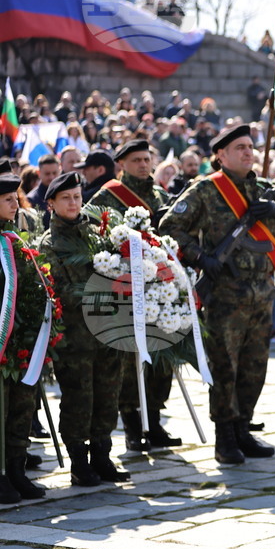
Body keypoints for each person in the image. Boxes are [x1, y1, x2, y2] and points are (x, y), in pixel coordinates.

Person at [159, 124, 275, 464]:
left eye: (250, 146)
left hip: (263, 292)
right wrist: (200, 257)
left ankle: (243, 429)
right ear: (220, 156)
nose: (248, 152)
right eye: (239, 147)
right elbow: (169, 227)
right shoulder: (206, 190)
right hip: (225, 294)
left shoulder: (264, 189)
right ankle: (225, 436)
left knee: (255, 366)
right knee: (225, 367)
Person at [85, 139, 181, 452]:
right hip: (125, 290)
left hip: (160, 288)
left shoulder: (160, 194)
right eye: (136, 160)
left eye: (146, 159)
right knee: (130, 363)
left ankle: (154, 423)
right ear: (122, 164)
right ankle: (131, 427)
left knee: (160, 357)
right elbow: (94, 238)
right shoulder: (109, 195)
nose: (143, 164)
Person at [40, 172, 130, 486]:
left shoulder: (96, 234)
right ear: (51, 203)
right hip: (76, 338)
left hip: (107, 333)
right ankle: (80, 462)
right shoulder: (50, 243)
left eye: (77, 197)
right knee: (80, 399)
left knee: (108, 395)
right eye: (66, 198)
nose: (74, 203)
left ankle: (102, 457)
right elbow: (60, 289)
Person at [0, 174, 48, 502]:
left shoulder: (17, 235)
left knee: (22, 405)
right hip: (2, 338)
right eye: (7, 199)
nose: (15, 203)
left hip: (22, 338)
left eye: (15, 197)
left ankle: (17, 469)